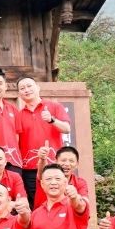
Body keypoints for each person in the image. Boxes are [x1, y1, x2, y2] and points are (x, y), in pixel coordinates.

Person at [15, 76, 71, 207]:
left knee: (58, 202)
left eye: (29, 86)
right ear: (19, 94)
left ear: (38, 88)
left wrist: (52, 120)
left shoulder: (54, 106)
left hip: (54, 165)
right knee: (36, 204)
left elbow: (67, 129)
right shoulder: (19, 115)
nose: (26, 90)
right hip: (30, 168)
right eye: (22, 88)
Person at [33, 144, 89, 209]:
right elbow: (42, 173)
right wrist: (42, 159)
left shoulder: (80, 182)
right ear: (56, 161)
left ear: (77, 164)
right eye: (63, 160)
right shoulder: (47, 176)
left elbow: (84, 204)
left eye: (71, 161)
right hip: (43, 214)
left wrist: (74, 197)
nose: (67, 164)